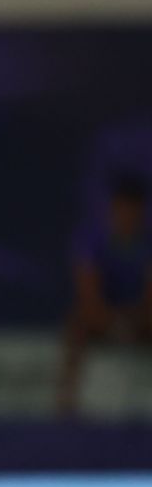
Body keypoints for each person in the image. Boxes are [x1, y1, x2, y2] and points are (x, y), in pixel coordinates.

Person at [58, 172, 152, 417]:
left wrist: (135, 321)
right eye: (122, 209)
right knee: (77, 323)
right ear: (112, 209)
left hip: (141, 317)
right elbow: (88, 294)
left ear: (142, 211)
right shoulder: (91, 239)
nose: (127, 216)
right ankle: (67, 399)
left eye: (133, 210)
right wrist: (113, 322)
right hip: (103, 315)